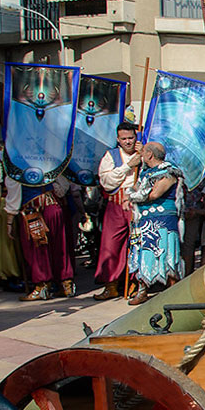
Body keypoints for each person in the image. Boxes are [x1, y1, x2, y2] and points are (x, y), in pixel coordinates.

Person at [127, 142, 184, 305]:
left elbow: (154, 194)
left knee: (167, 254)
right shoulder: (145, 172)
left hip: (163, 219)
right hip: (143, 219)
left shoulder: (169, 171)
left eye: (143, 152)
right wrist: (131, 194)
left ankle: (174, 290)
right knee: (142, 253)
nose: (141, 154)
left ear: (150, 155)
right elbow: (135, 187)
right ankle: (142, 290)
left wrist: (131, 196)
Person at [3, 170, 75, 302]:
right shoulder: (48, 159)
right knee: (59, 245)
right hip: (53, 205)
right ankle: (65, 284)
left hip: (32, 209)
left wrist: (10, 219)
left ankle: (42, 286)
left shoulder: (17, 165)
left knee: (36, 249)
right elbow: (62, 186)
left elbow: (14, 193)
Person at [93, 122, 140, 301]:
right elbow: (107, 181)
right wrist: (128, 166)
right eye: (124, 139)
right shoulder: (110, 155)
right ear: (118, 139)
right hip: (116, 204)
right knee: (110, 245)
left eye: (130, 138)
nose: (128, 142)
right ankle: (111, 285)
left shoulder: (143, 153)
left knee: (136, 244)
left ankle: (135, 282)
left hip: (136, 204)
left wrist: (140, 159)